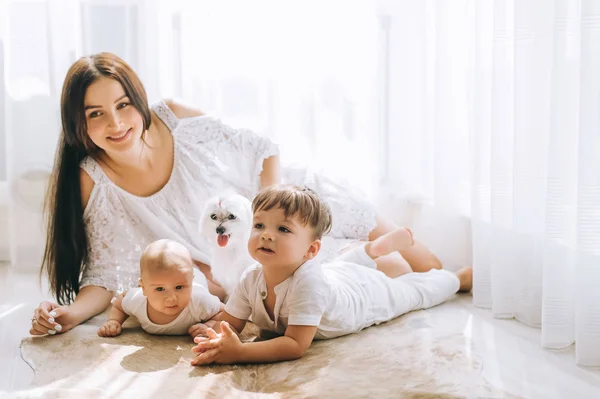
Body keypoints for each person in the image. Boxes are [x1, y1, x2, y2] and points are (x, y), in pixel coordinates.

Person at [30, 52, 445, 337]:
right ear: (77, 125)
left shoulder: (172, 119)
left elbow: (261, 146)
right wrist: (70, 315)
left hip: (281, 211)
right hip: (240, 259)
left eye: (123, 106)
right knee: (394, 271)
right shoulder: (91, 178)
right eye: (95, 114)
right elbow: (103, 274)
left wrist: (270, 211)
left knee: (429, 263)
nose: (116, 124)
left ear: (138, 102)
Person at [190, 185, 472, 365]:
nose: (266, 235)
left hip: (362, 296)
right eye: (260, 225)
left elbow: (294, 344)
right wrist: (214, 334)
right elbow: (232, 323)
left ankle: (456, 278)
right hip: (332, 275)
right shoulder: (250, 277)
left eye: (283, 229)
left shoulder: (307, 285)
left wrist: (239, 352)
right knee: (339, 267)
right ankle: (372, 250)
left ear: (311, 249)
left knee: (413, 292)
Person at [98, 239, 222, 337]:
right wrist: (114, 321)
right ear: (143, 288)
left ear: (190, 281)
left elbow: (225, 311)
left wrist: (210, 325)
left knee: (220, 291)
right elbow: (120, 303)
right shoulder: (137, 300)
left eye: (179, 287)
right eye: (160, 289)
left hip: (198, 280)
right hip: (175, 278)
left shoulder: (200, 301)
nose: (171, 298)